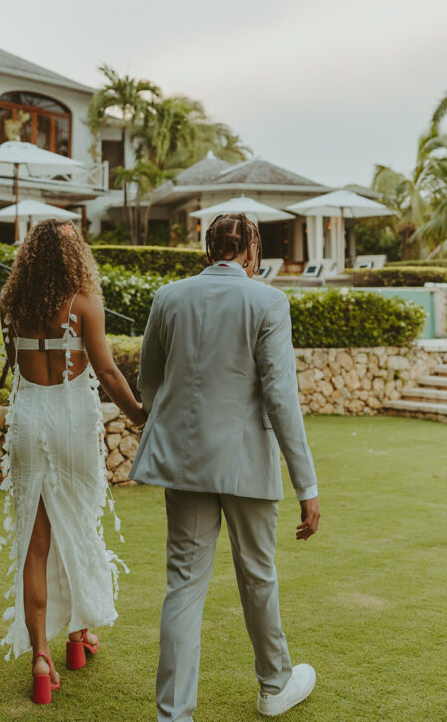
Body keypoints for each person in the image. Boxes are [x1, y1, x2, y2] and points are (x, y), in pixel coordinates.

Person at [130, 212, 321, 720]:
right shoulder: (269, 300)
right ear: (252, 252)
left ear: (207, 248)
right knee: (258, 575)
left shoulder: (169, 297)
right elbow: (281, 397)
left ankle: (174, 714)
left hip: (185, 461)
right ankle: (274, 686)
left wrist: (161, 425)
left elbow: (149, 378)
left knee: (184, 585)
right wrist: (307, 484)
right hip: (246, 465)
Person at [0, 219, 147, 705]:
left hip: (27, 418)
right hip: (72, 421)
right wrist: (140, 415)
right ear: (74, 256)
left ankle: (42, 657)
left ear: (31, 256)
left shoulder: (12, 306)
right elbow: (105, 370)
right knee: (80, 526)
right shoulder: (85, 303)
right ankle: (78, 638)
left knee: (34, 543)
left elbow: (12, 367)